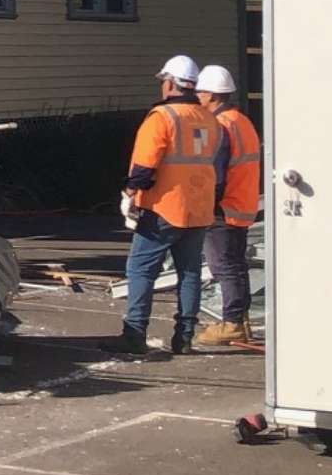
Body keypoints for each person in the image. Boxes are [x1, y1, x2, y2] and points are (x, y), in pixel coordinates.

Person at [105, 53, 219, 356]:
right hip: (199, 207)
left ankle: (135, 334)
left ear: (170, 83)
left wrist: (130, 193)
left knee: (141, 269)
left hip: (164, 207)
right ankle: (184, 337)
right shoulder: (209, 118)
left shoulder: (162, 118)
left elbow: (144, 165)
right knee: (190, 272)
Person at [195, 63, 261, 348]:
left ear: (211, 94)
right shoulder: (240, 120)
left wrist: (205, 206)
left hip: (223, 207)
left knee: (224, 266)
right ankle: (240, 320)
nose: (197, 96)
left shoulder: (219, 125)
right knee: (235, 264)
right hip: (242, 202)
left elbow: (216, 173)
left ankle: (232, 323)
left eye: (200, 91)